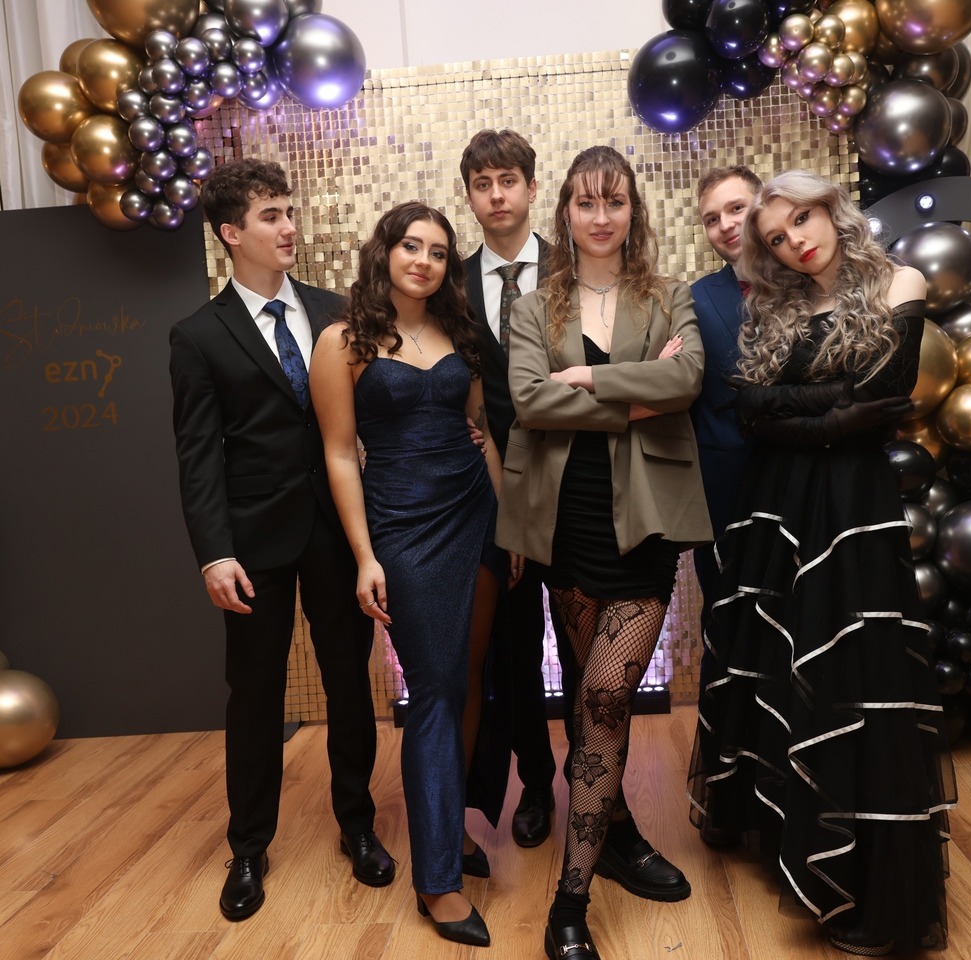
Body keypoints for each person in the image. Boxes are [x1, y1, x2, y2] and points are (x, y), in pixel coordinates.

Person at [687, 170, 956, 956]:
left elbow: (885, 393)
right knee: (780, 661)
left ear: (832, 209)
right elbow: (750, 409)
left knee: (855, 673)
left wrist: (798, 410)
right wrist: (830, 411)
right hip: (779, 504)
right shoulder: (777, 306)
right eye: (776, 237)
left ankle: (867, 879)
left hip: (851, 507)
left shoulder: (900, 282)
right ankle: (786, 836)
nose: (794, 241)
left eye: (801, 219)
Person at [498, 145, 712, 960]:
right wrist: (633, 389)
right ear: (565, 212)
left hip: (646, 522)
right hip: (564, 522)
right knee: (591, 694)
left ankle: (571, 900)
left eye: (613, 201)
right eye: (585, 203)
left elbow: (687, 381)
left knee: (606, 698)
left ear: (632, 211)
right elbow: (528, 401)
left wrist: (587, 382)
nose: (599, 217)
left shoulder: (668, 295)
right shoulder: (533, 306)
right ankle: (617, 830)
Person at [168, 158, 393, 923]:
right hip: (251, 542)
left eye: (289, 211)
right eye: (271, 216)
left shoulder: (337, 312)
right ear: (231, 232)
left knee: (350, 683)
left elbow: (372, 414)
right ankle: (248, 847)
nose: (289, 226)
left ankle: (358, 825)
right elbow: (198, 454)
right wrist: (214, 551)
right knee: (255, 695)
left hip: (338, 529)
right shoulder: (198, 335)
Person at [312, 201, 511, 948]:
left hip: (475, 515)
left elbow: (481, 431)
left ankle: (446, 826)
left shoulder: (460, 332)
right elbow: (339, 453)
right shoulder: (343, 340)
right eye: (410, 247)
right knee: (431, 689)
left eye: (437, 251)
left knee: (466, 680)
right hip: (402, 525)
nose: (423, 261)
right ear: (385, 253)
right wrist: (366, 555)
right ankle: (436, 882)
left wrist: (506, 522)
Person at [459, 129, 558, 849]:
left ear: (530, 187)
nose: (497, 195)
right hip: (497, 492)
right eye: (482, 184)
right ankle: (537, 783)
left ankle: (601, 789)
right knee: (515, 653)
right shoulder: (449, 283)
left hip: (579, 482)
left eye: (508, 181)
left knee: (586, 652)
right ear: (470, 196)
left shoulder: (575, 266)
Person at [688, 166, 762, 617]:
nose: (726, 225)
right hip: (727, 495)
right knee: (729, 620)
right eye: (712, 219)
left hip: (811, 479)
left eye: (737, 208)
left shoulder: (813, 281)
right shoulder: (694, 299)